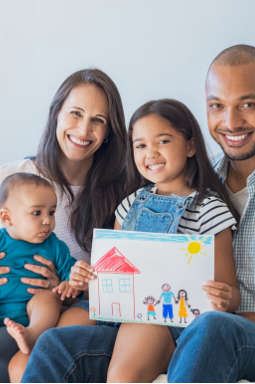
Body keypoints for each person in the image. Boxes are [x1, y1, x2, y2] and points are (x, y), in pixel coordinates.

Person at [22, 99, 241, 383]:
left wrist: (224, 298)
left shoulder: (208, 210)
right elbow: (106, 281)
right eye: (140, 145)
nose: (151, 153)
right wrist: (84, 279)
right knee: (54, 339)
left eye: (162, 141)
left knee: (123, 375)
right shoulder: (128, 205)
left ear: (190, 146)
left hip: (165, 321)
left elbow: (232, 295)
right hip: (115, 314)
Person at [167, 45, 255, 382]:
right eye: (217, 107)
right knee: (62, 345)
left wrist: (227, 322)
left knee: (214, 329)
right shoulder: (194, 182)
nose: (231, 122)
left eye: (248, 105)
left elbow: (216, 327)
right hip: (194, 333)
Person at [0, 68, 127, 383]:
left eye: (98, 120)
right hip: (9, 305)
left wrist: (66, 285)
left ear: (109, 131)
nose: (84, 129)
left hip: (70, 312)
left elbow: (117, 282)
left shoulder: (119, 191)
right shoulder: (14, 180)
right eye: (76, 113)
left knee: (51, 346)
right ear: (56, 113)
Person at [0, 173, 83, 361]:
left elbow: (72, 276)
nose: (47, 220)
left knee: (48, 298)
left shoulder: (55, 246)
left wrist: (69, 284)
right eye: (37, 213)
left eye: (51, 212)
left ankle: (33, 335)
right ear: (7, 217)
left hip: (35, 315)